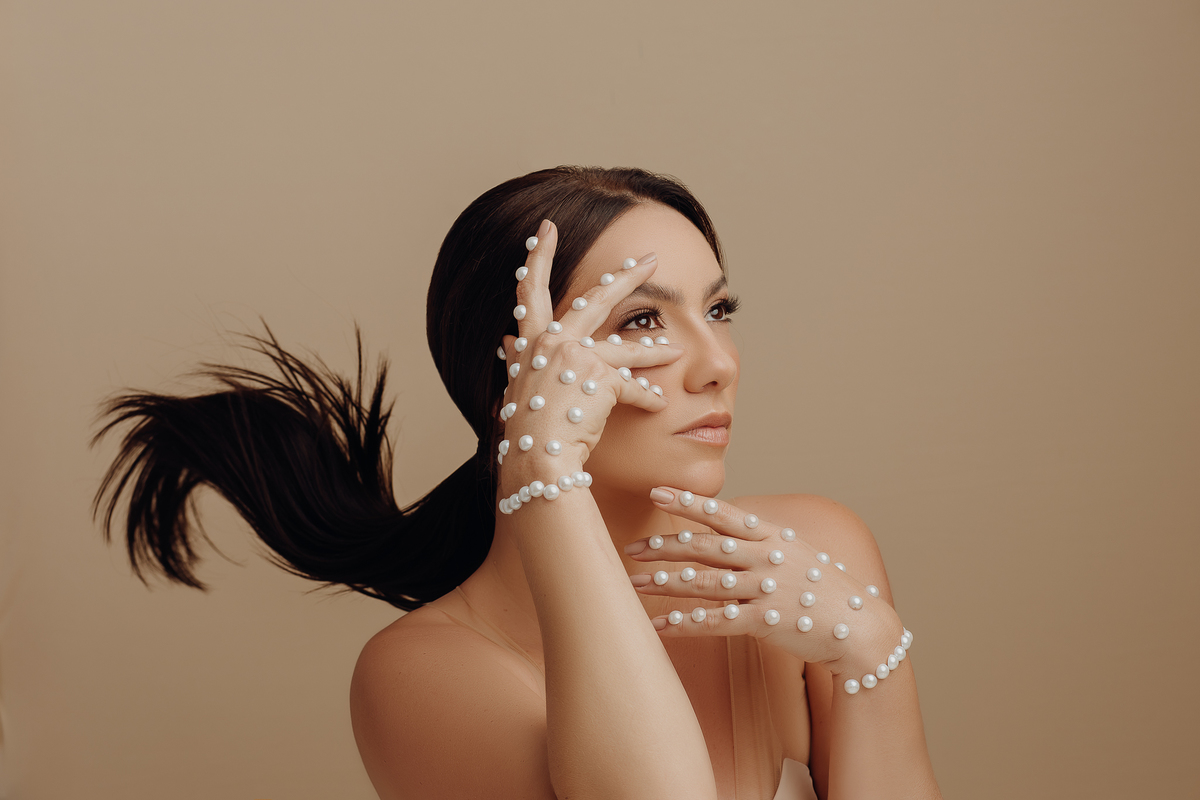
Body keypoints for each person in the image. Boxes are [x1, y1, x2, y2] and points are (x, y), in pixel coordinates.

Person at [93, 166, 942, 799]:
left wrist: (874, 653)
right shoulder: (419, 674)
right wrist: (543, 468)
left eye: (718, 310)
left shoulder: (808, 557)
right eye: (643, 320)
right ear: (518, 375)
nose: (718, 362)